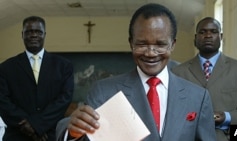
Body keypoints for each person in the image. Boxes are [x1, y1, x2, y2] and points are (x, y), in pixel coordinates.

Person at [56, 3, 216, 141]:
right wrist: (72, 133)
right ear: (131, 43)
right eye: (141, 44)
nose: (151, 53)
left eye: (160, 44)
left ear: (172, 44)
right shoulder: (104, 92)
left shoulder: (198, 97)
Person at [172, 17, 237, 141]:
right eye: (202, 32)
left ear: (221, 36)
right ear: (195, 38)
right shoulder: (178, 73)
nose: (208, 35)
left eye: (213, 32)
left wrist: (227, 116)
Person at [0, 16, 74, 141]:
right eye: (29, 32)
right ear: (22, 35)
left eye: (38, 32)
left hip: (50, 135)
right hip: (17, 135)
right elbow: (3, 101)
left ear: (44, 34)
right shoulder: (6, 67)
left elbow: (64, 98)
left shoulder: (63, 66)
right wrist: (27, 126)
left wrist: (37, 125)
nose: (33, 35)